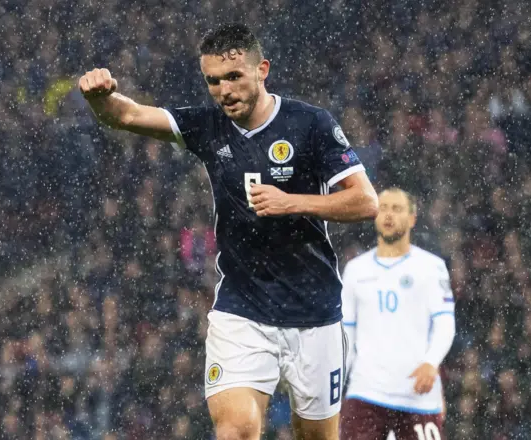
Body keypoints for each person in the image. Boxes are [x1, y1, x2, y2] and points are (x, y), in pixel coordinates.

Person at [78, 23, 378, 440]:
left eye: (234, 77)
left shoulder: (310, 124)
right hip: (243, 311)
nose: (223, 90)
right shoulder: (209, 126)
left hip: (315, 312)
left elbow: (366, 201)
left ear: (262, 70)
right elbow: (126, 115)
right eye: (213, 81)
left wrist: (292, 202)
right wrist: (100, 98)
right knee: (236, 428)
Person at [340, 188, 455, 440]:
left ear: (413, 218)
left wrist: (431, 362)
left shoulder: (431, 267)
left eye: (397, 208)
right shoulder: (355, 270)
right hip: (365, 393)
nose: (388, 215)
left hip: (417, 396)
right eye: (383, 208)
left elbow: (445, 323)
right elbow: (346, 334)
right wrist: (336, 386)